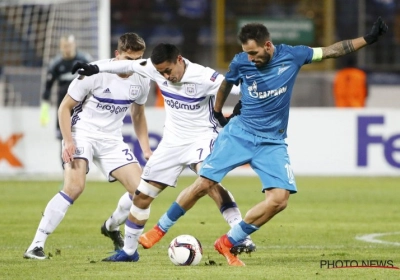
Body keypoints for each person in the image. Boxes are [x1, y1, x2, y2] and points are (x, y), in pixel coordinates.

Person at [134, 16, 387, 266]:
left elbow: (332, 50)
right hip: (240, 134)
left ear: (268, 45)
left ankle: (228, 241)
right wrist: (218, 112)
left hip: (272, 142)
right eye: (246, 53)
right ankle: (159, 229)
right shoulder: (240, 62)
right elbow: (225, 85)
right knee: (204, 184)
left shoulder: (294, 55)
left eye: (254, 53)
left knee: (279, 200)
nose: (250, 58)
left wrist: (368, 39)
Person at [72, 43, 255, 262]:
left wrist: (245, 104)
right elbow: (124, 64)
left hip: (202, 137)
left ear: (179, 60)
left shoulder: (204, 76)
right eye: (160, 73)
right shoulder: (153, 68)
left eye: (168, 70)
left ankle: (240, 234)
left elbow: (239, 86)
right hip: (171, 143)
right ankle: (129, 252)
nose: (166, 76)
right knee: (141, 196)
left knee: (208, 181)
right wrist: (94, 68)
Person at [23, 33, 152, 260]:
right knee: (74, 187)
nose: (132, 65)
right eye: (128, 58)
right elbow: (64, 107)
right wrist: (68, 141)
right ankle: (36, 245)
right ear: (117, 54)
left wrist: (146, 148)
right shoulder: (94, 73)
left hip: (111, 139)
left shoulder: (141, 77)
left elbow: (138, 114)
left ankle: (111, 227)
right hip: (82, 133)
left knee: (142, 192)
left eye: (138, 59)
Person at [40, 34, 92, 140]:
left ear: (74, 45)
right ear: (60, 47)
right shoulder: (56, 64)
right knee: (64, 140)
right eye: (64, 46)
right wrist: (44, 111)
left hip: (82, 106)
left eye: (69, 45)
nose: (67, 48)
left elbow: (94, 81)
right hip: (64, 106)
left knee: (83, 138)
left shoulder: (84, 60)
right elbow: (47, 88)